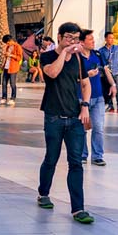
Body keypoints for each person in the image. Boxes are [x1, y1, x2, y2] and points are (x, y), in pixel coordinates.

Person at [36, 22, 94, 224]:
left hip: (75, 117)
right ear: (59, 37)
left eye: (76, 38)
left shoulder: (79, 58)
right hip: (53, 117)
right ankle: (43, 193)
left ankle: (78, 209)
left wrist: (85, 106)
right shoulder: (48, 56)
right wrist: (64, 52)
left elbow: (85, 84)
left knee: (76, 163)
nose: (73, 41)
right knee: (51, 158)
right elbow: (51, 73)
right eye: (69, 37)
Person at [78, 30, 113, 167]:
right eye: (90, 39)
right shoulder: (76, 57)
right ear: (82, 42)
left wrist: (113, 84)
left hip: (98, 97)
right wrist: (87, 74)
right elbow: (72, 77)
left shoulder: (97, 54)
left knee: (98, 127)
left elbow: (106, 70)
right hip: (81, 98)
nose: (93, 41)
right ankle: (82, 154)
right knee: (81, 128)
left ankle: (97, 155)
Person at [100, 31, 118, 114]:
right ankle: (110, 105)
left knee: (117, 89)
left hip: (116, 72)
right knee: (108, 90)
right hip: (106, 74)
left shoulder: (117, 48)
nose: (111, 40)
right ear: (106, 39)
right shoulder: (101, 50)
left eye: (112, 38)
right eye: (109, 38)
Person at [0, 34, 22, 106]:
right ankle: (4, 98)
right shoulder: (8, 47)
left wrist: (11, 55)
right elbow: (7, 57)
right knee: (4, 83)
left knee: (12, 83)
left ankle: (13, 98)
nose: (7, 44)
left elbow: (19, 58)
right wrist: (3, 64)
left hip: (13, 68)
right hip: (6, 67)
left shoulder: (17, 47)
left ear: (10, 40)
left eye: (7, 42)